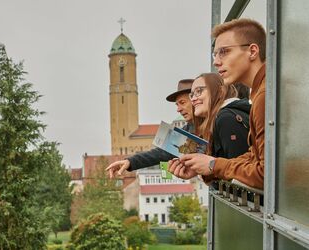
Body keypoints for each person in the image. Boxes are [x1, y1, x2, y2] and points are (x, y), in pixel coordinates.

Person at [169, 18, 266, 189]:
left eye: (224, 52)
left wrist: (213, 165)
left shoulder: (265, 96)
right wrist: (208, 167)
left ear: (252, 51)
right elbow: (252, 157)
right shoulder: (260, 94)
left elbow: (266, 174)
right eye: (215, 54)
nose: (216, 62)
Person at [106, 79, 194, 178]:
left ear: (196, 100)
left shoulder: (213, 122)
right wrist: (129, 162)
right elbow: (161, 153)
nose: (178, 109)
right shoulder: (188, 129)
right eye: (177, 105)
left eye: (182, 102)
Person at [189, 73, 250, 159]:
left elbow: (240, 169)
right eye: (191, 95)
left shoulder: (226, 119)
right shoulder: (224, 117)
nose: (193, 99)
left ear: (220, 91)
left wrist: (210, 166)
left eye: (199, 91)